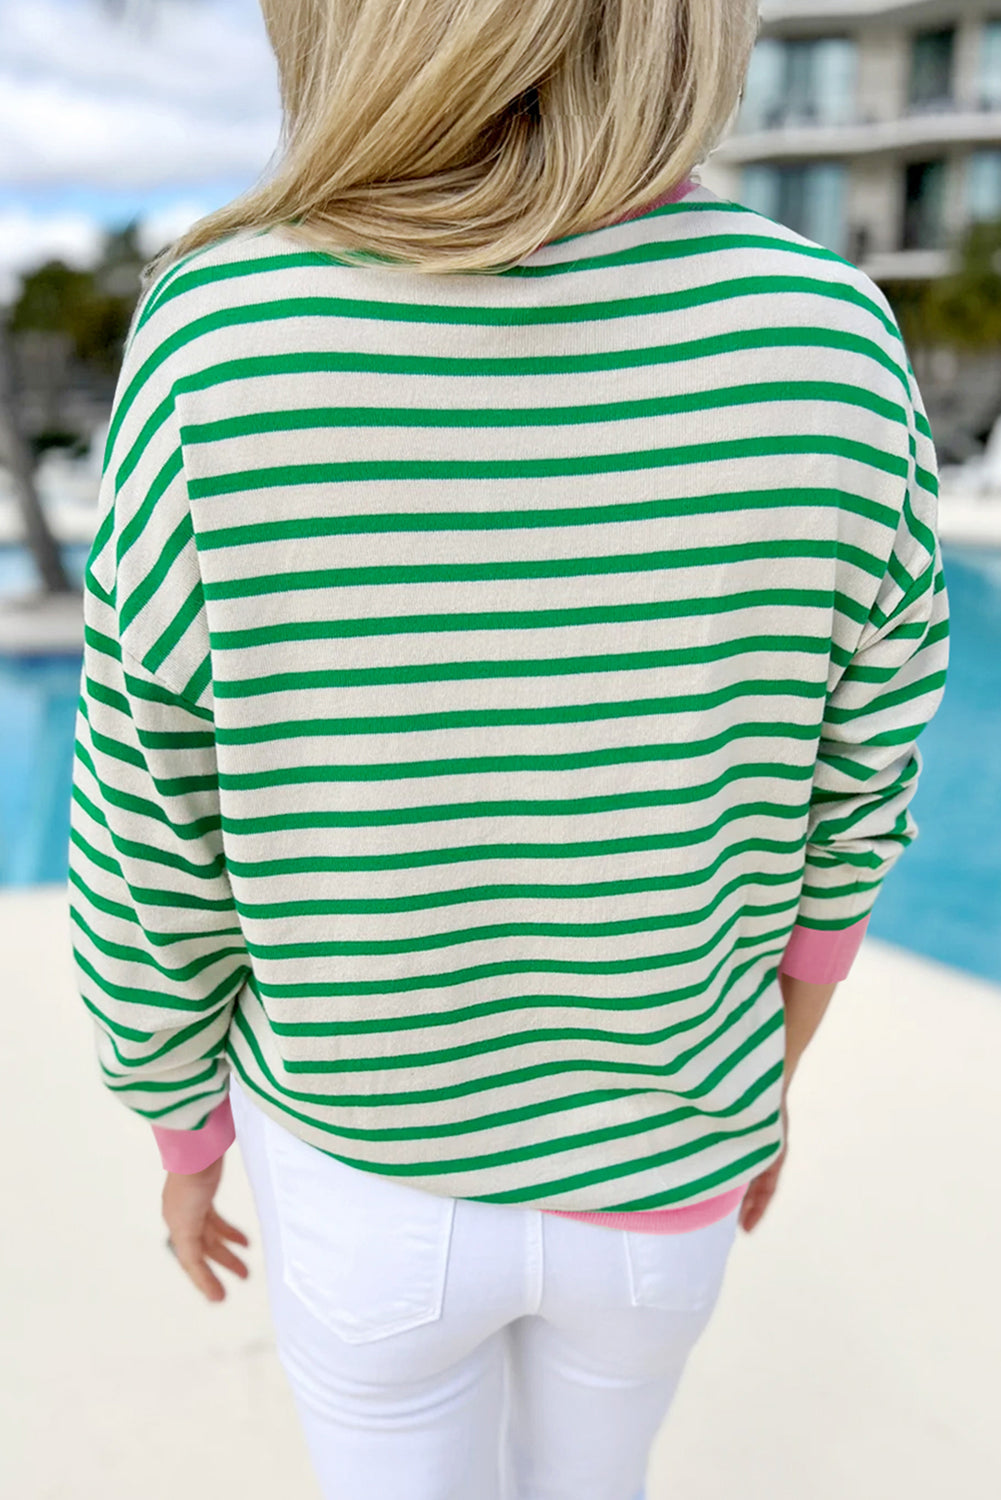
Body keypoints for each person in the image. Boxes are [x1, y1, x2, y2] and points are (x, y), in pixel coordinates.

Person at [67, 2, 950, 1497]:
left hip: (363, 1176)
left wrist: (183, 1132)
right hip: (669, 1170)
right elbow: (859, 788)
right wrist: (765, 1080)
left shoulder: (221, 334)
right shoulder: (828, 336)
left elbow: (148, 820)